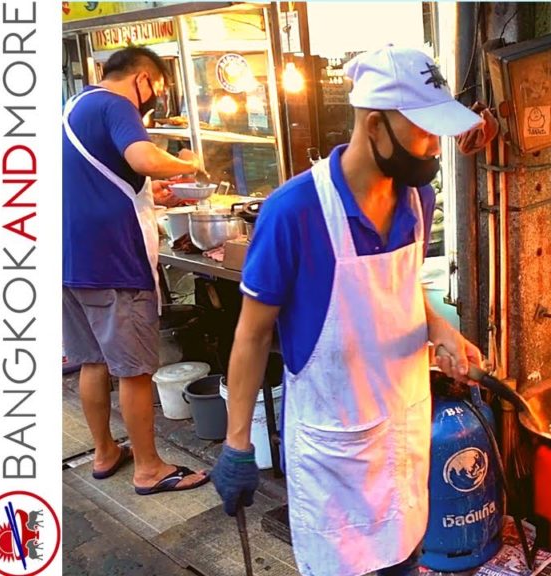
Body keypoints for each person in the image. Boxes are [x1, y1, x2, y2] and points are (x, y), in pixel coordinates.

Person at [211, 46, 493, 576]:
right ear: (374, 123)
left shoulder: (417, 201)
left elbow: (407, 291)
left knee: (406, 558)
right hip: (336, 454)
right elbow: (250, 336)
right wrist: (236, 443)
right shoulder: (293, 211)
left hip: (404, 438)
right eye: (423, 131)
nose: (433, 148)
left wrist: (441, 332)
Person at [62, 46, 210, 496]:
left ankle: (105, 452)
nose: (152, 101)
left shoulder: (75, 106)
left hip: (68, 260)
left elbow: (110, 177)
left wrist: (155, 193)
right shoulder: (116, 104)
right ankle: (148, 468)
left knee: (92, 361)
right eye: (157, 90)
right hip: (113, 263)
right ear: (142, 79)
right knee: (134, 371)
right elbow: (144, 157)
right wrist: (192, 164)